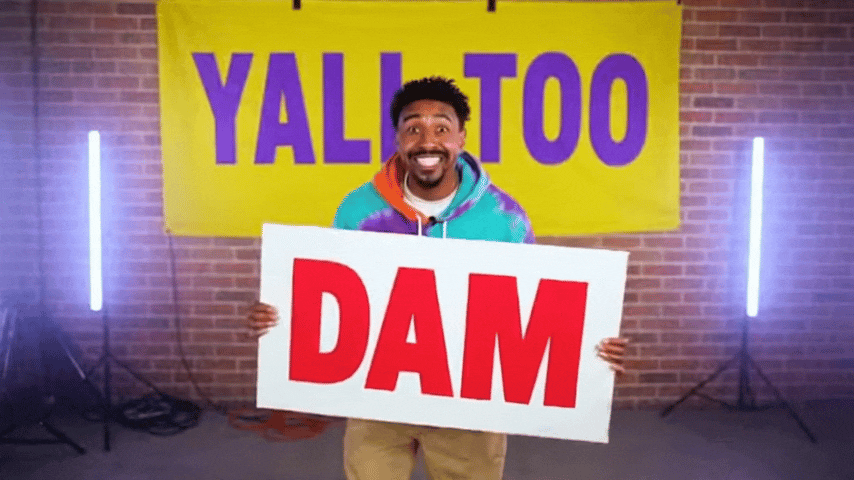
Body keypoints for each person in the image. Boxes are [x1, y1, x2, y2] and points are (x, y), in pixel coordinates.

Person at [247, 77, 628, 480]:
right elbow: (329, 298)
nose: (427, 141)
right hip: (377, 402)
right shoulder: (359, 210)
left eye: (441, 128)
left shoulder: (505, 219)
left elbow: (534, 309)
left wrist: (590, 349)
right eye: (413, 128)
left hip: (470, 408)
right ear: (398, 138)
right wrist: (280, 319)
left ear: (461, 138)